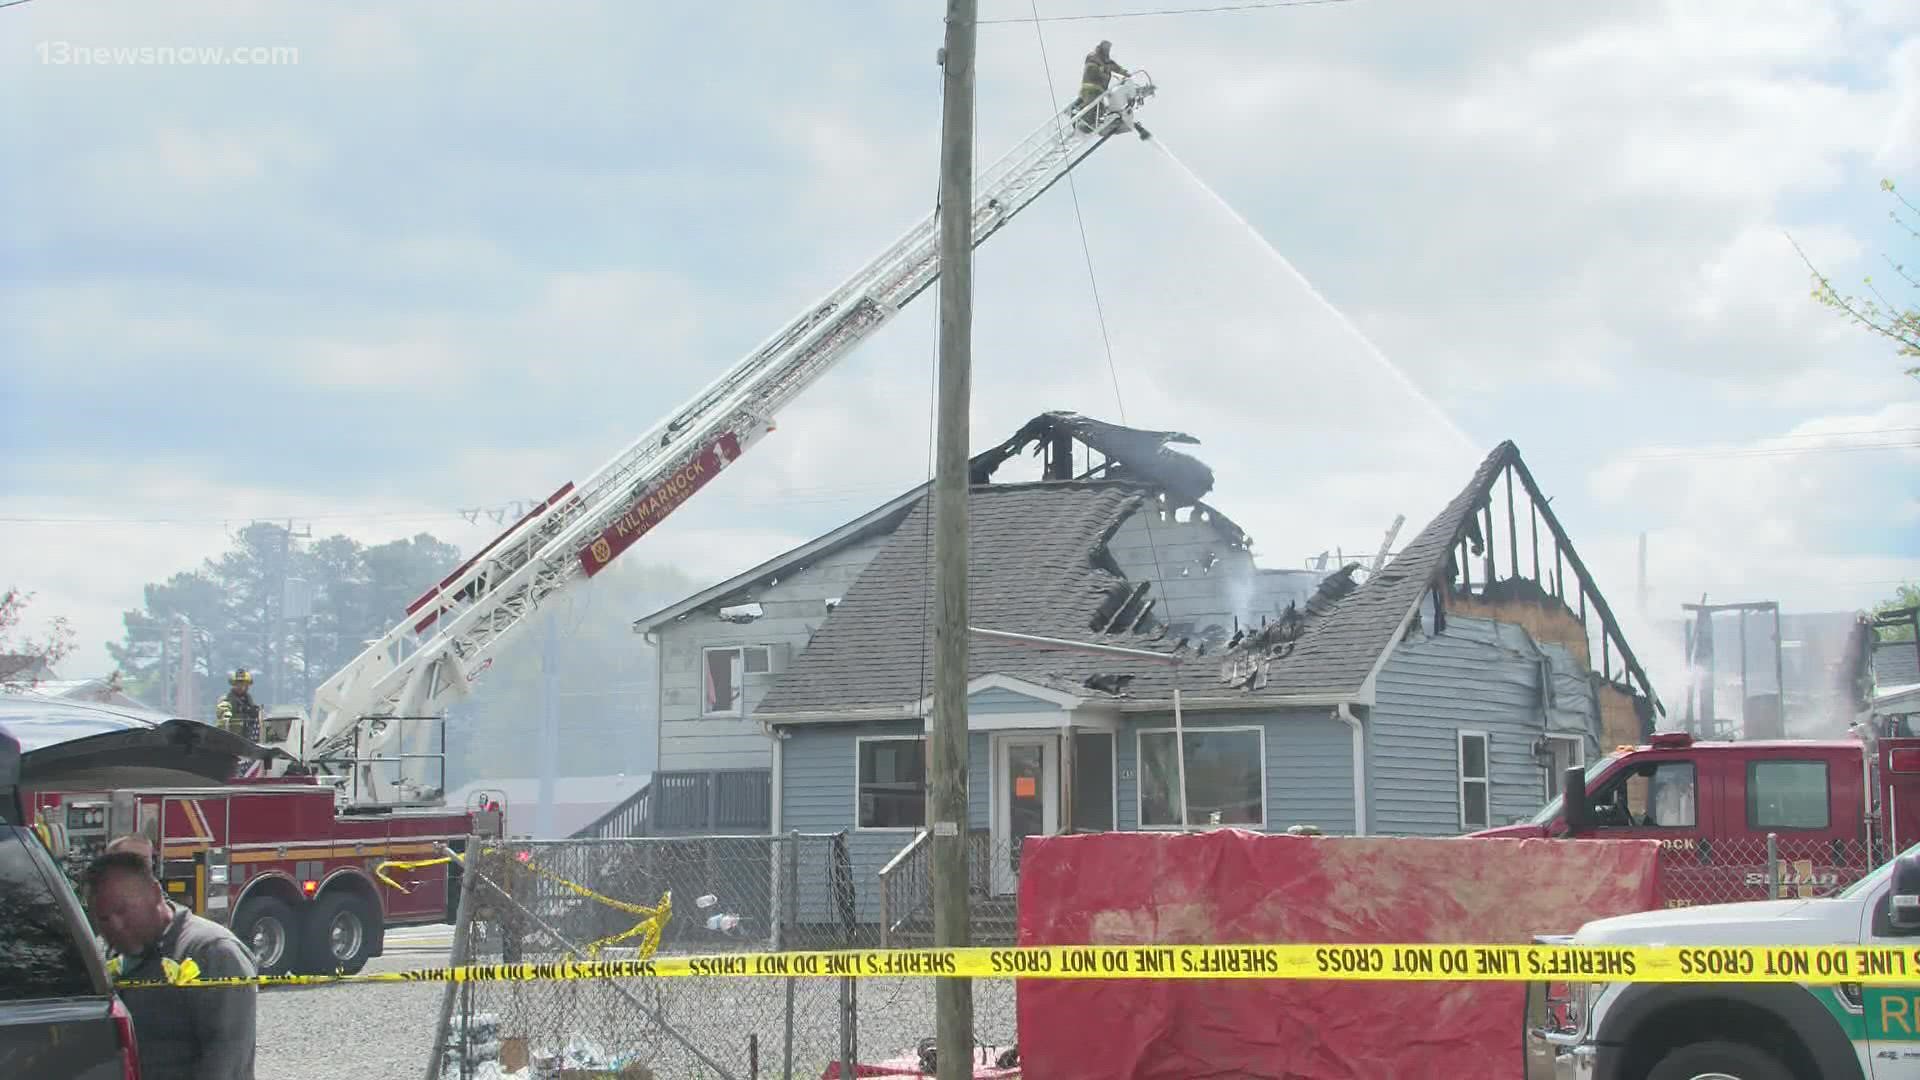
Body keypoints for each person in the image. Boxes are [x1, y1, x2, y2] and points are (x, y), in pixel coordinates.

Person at [85, 848, 258, 1080]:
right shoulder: (114, 959)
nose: (115, 926)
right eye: (104, 919)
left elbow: (227, 1060)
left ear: (156, 893)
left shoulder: (211, 953)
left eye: (122, 911)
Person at [1071, 40, 1130, 131]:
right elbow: (1092, 69)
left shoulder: (1107, 61)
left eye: (1109, 49)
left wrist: (1126, 74)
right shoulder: (1093, 57)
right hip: (1090, 87)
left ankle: (1091, 123)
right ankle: (1078, 115)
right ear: (1102, 48)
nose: (1108, 51)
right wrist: (1103, 71)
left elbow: (1116, 67)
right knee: (1091, 105)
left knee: (1100, 107)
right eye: (1107, 48)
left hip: (1100, 89)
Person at [215, 668, 261, 741]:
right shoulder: (227, 698)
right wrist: (226, 714)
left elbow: (253, 712)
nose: (241, 687)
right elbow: (223, 709)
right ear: (233, 685)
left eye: (244, 684)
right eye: (238, 684)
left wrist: (254, 711)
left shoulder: (248, 698)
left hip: (247, 736)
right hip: (231, 737)